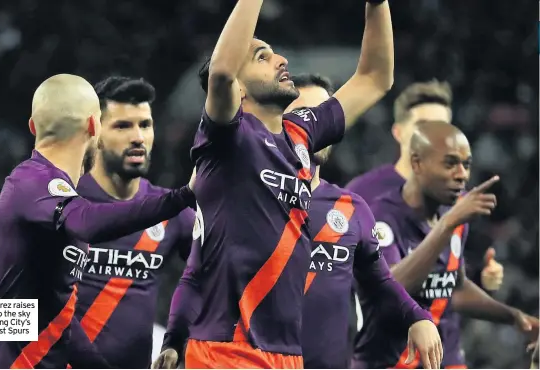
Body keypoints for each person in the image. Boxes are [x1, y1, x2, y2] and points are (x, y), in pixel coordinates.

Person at [183, 0, 419, 366]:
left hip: (287, 354)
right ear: (238, 92)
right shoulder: (226, 140)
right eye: (262, 57)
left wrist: (377, 4)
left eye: (277, 54)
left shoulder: (300, 135)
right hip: (228, 350)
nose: (281, 60)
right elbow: (222, 72)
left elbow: (375, 78)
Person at [155, 74, 443, 370]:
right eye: (303, 116)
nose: (315, 128)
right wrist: (174, 340)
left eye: (322, 116)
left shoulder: (351, 209)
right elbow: (195, 275)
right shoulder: (240, 200)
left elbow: (380, 280)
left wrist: (416, 316)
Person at [0, 74, 195, 369]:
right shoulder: (46, 190)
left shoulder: (45, 193)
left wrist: (175, 341)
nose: (137, 137)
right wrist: (186, 194)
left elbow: (58, 320)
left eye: (145, 125)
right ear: (95, 127)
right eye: (122, 125)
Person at [352, 121, 539, 369]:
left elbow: (454, 288)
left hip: (437, 359)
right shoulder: (380, 216)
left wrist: (513, 316)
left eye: (466, 165)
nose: (462, 174)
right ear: (417, 163)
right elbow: (389, 289)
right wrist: (447, 224)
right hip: (386, 362)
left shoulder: (453, 213)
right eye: (450, 163)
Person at [345, 80, 504, 293]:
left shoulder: (457, 198)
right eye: (423, 126)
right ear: (398, 132)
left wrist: (483, 279)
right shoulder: (361, 193)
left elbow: (452, 277)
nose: (434, 136)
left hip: (445, 326)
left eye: (442, 127)